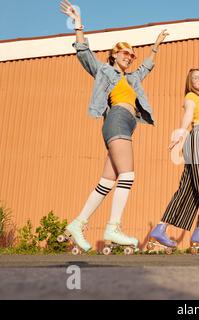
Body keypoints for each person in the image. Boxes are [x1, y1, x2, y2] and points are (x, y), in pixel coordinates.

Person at [59, 0, 168, 254]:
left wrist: (155, 48)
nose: (128, 57)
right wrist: (78, 24)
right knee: (128, 175)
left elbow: (145, 69)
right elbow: (84, 53)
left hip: (127, 125)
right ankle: (113, 227)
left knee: (107, 181)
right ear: (113, 55)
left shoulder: (131, 78)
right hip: (117, 119)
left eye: (131, 54)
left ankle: (78, 223)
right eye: (124, 53)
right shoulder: (104, 71)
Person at [147, 58, 199, 254]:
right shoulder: (190, 97)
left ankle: (160, 228)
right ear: (189, 83)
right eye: (195, 78)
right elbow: (188, 115)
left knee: (187, 191)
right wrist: (181, 132)